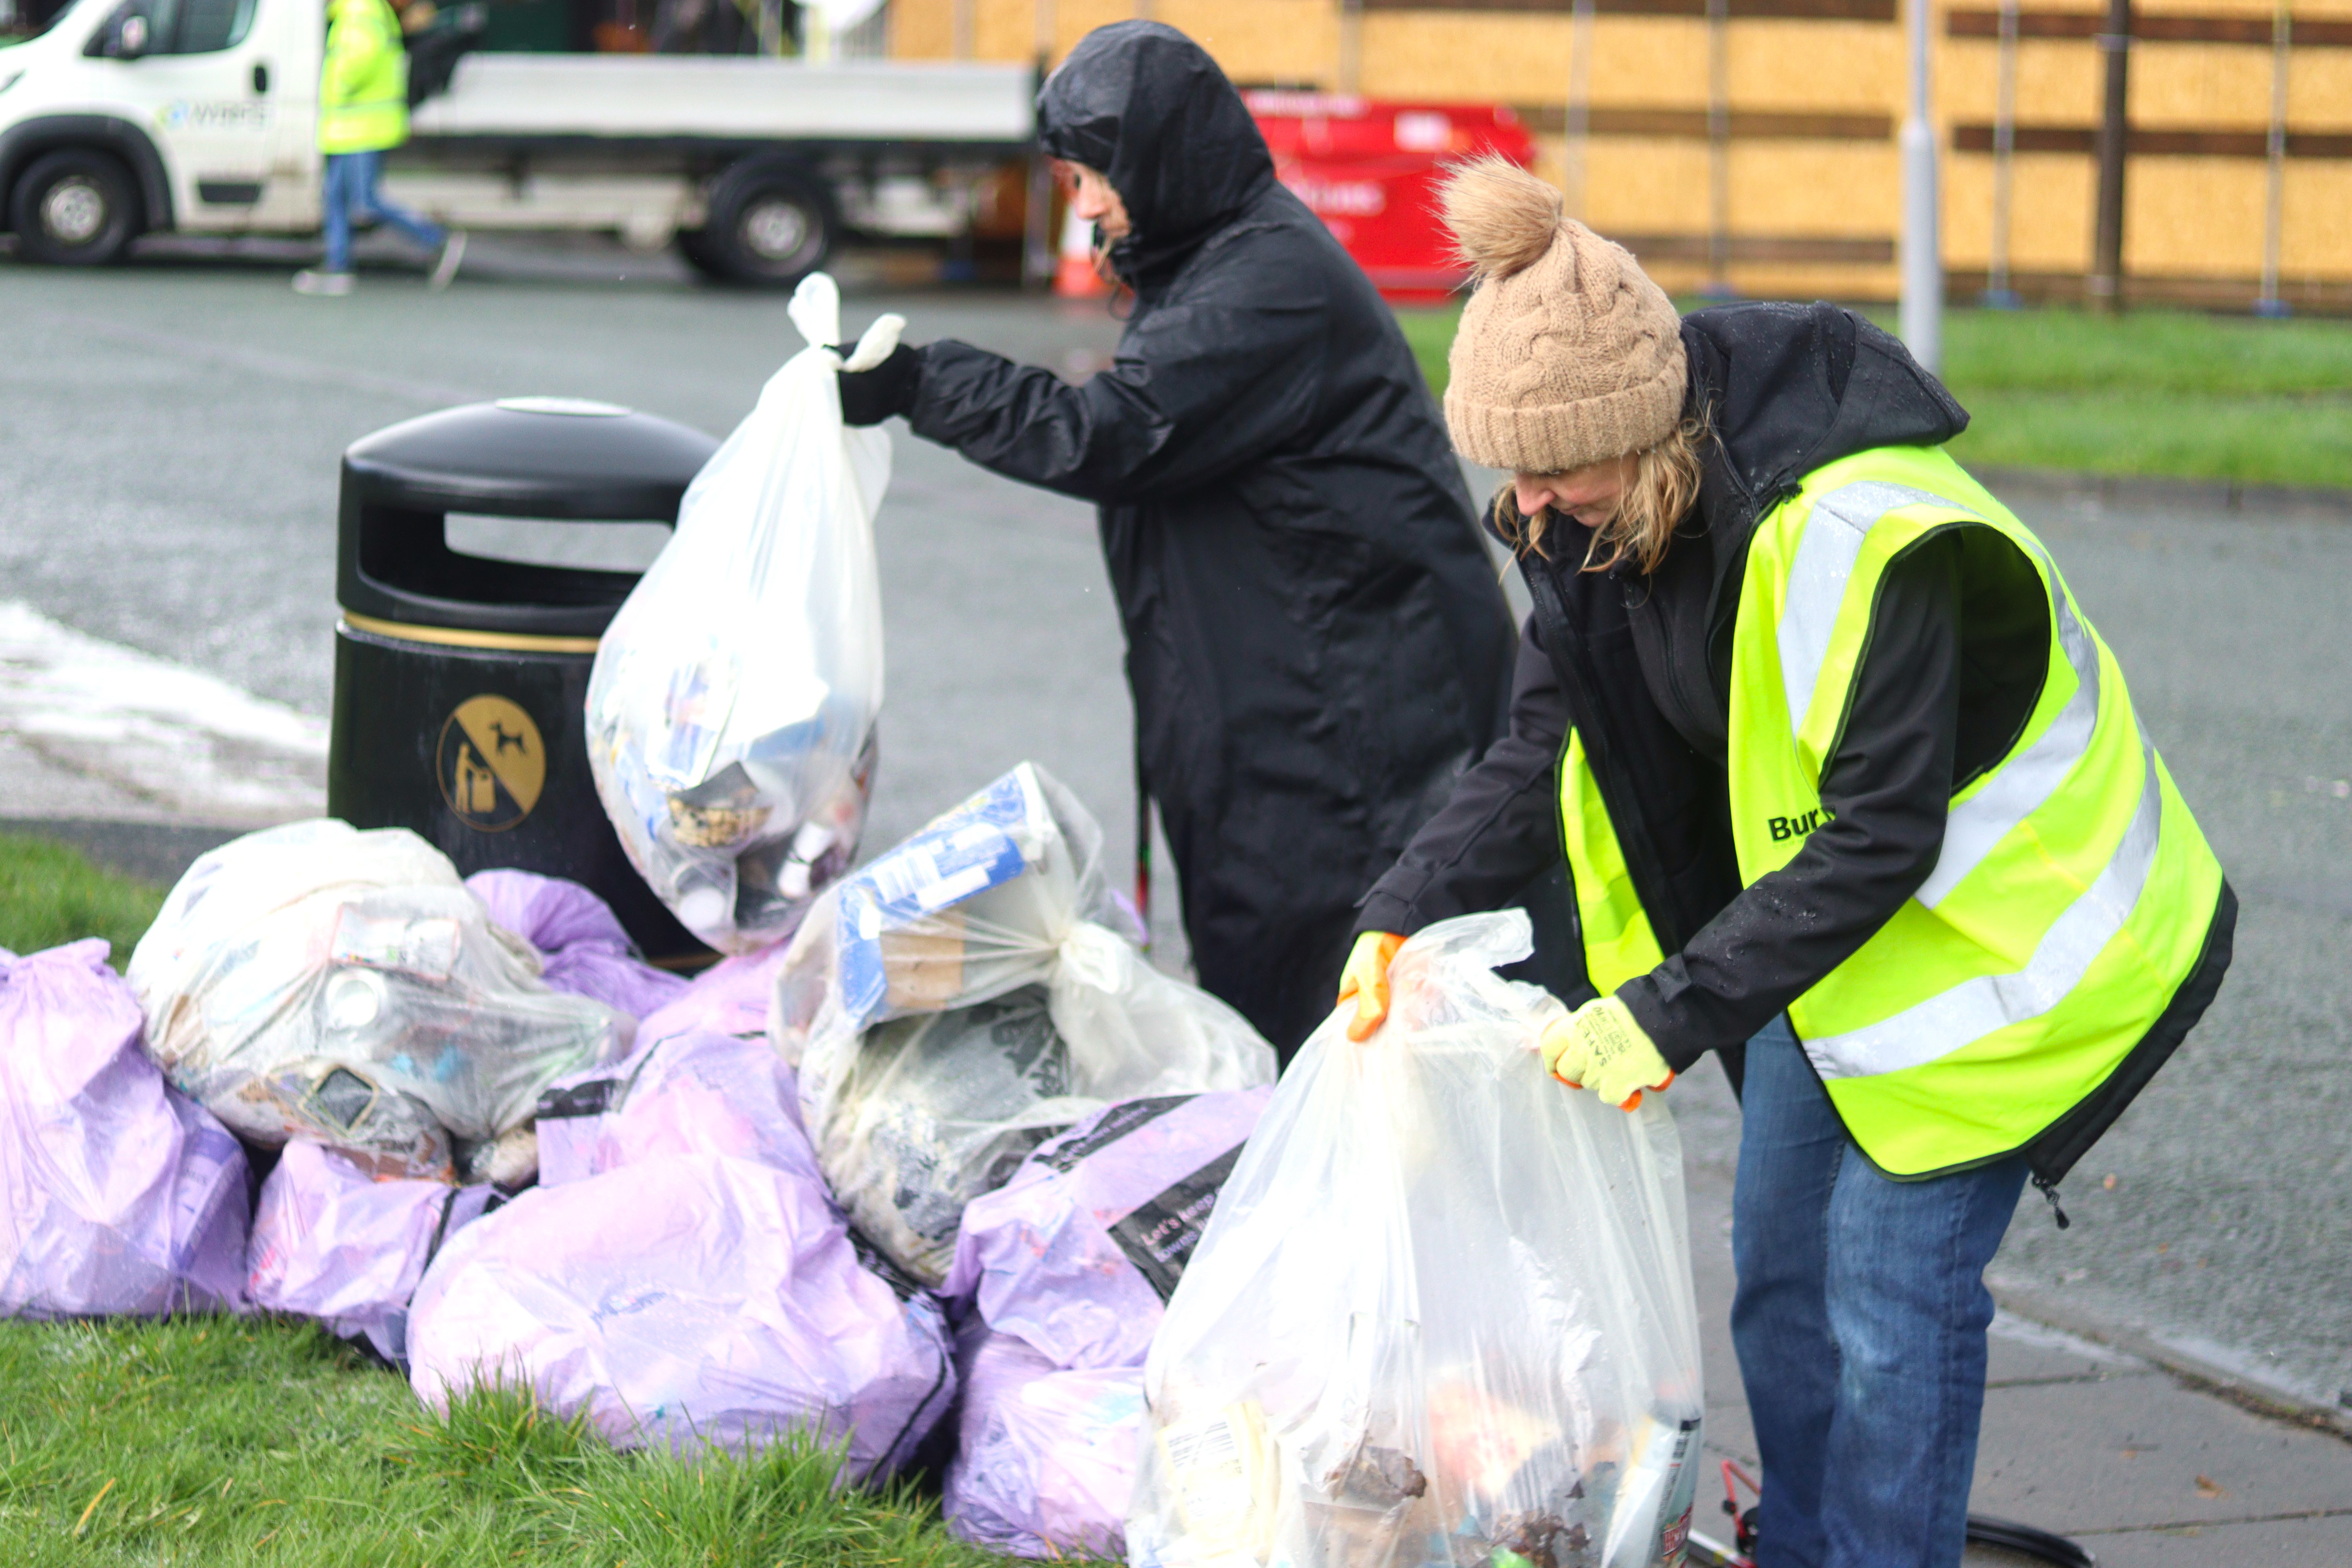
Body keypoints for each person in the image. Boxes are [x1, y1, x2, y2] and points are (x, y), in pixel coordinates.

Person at [1339, 158, 2234, 1568]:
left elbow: (1883, 825)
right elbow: (1536, 744)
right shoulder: (1597, 519)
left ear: (1637, 431)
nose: (1528, 502)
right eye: (1509, 471)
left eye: (1550, 467)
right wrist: (1394, 911)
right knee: (1779, 1276)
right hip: (1846, 948)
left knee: (1888, 1302)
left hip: (2011, 951)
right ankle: (1812, 1546)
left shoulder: (1851, 528)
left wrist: (1665, 1007)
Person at [836, 22, 1518, 1059]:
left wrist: (922, 383)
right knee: (1285, 1007)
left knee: (1330, 1033)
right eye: (1071, 184)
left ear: (1160, 161)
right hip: (1290, 722)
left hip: (1352, 741)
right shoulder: (1214, 263)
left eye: (1095, 178)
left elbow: (1108, 435)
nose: (1091, 207)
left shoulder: (1264, 283)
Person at [294, 0, 465, 297]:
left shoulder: (360, 10)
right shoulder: (360, 10)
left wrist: (340, 85)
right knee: (334, 195)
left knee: (364, 201)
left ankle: (436, 240)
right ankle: (338, 265)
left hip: (361, 125)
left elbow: (362, 57)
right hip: (349, 125)